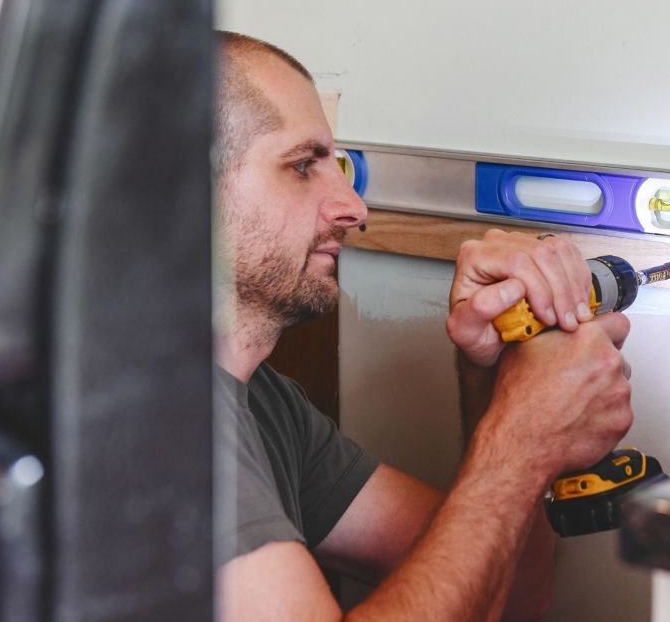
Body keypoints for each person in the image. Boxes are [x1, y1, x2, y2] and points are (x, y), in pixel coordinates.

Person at [214, 31, 634, 620]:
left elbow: (510, 597)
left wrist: (493, 375)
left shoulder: (264, 403)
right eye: (303, 166)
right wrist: (520, 441)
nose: (354, 209)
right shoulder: (155, 415)